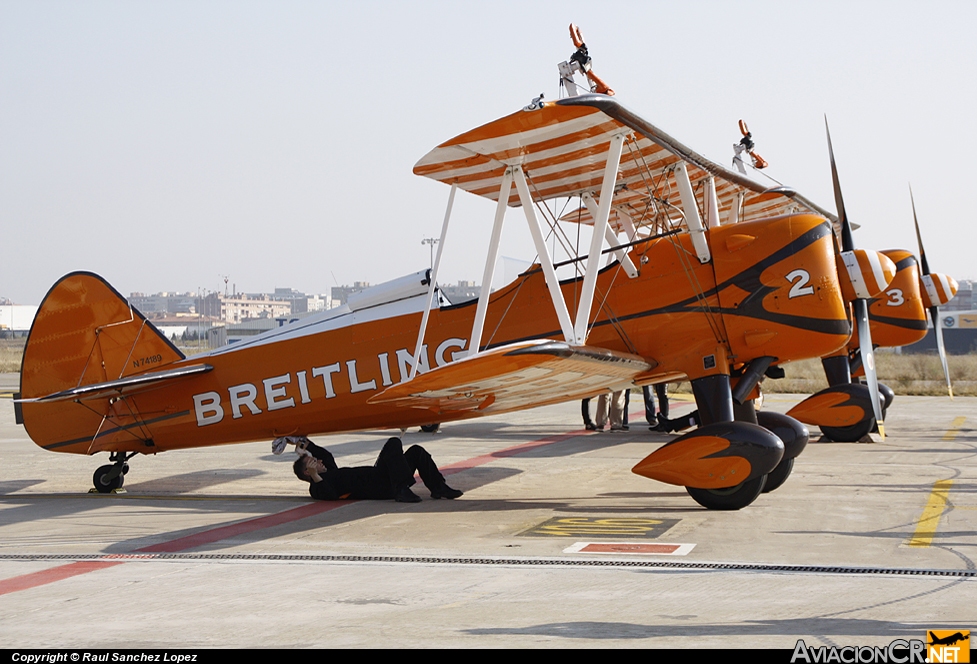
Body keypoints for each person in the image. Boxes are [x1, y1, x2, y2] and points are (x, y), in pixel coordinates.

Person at [283, 436, 463, 503]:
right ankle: (401, 490)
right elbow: (328, 495)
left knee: (416, 451)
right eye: (314, 462)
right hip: (380, 486)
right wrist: (315, 476)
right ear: (307, 472)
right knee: (393, 443)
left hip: (383, 476)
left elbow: (327, 455)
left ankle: (438, 487)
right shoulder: (317, 487)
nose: (319, 461)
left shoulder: (329, 471)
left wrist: (306, 444)